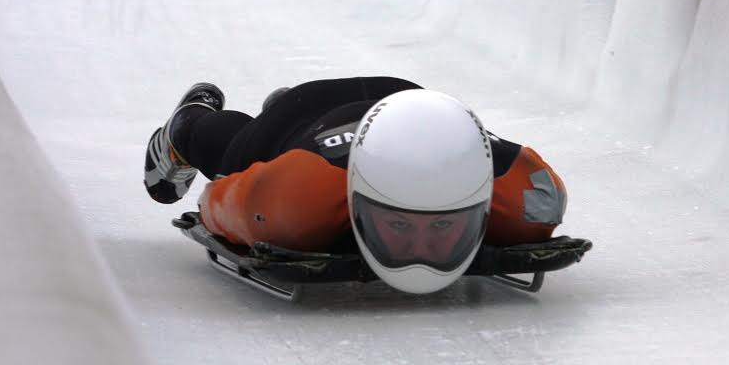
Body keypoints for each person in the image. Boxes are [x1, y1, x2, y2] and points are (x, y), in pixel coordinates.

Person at [144, 76, 566, 293]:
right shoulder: (291, 203)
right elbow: (216, 199)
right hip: (298, 117)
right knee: (233, 151)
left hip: (407, 101)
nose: (421, 252)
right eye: (400, 225)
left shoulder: (530, 200)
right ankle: (186, 126)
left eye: (443, 226)